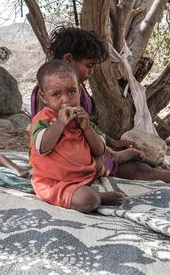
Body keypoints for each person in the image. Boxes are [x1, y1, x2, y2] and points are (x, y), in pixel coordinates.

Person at [36, 26, 170, 196]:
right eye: (89, 65)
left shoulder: (76, 91)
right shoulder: (47, 96)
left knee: (141, 167)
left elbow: (84, 126)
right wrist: (103, 153)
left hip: (88, 155)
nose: (91, 73)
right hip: (70, 167)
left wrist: (111, 142)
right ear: (68, 59)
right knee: (142, 171)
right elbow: (47, 142)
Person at [30, 60, 126, 212]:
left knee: (102, 160)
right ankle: (100, 197)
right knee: (88, 200)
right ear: (43, 97)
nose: (65, 100)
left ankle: (126, 156)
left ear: (79, 90)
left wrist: (87, 127)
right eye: (56, 94)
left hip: (83, 173)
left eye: (71, 91)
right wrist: (60, 124)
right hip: (54, 182)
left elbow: (99, 149)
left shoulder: (81, 115)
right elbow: (42, 147)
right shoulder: (44, 119)